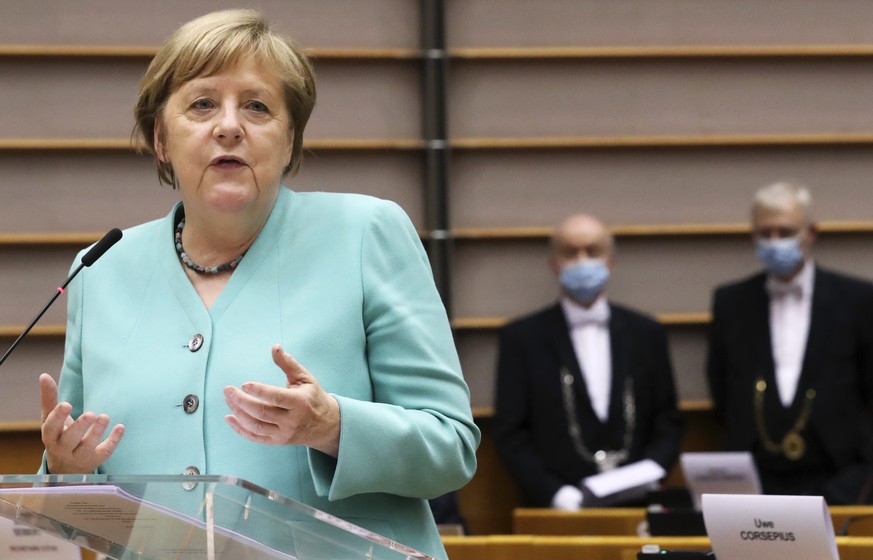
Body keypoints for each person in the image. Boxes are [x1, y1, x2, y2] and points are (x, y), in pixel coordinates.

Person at [35, 9, 479, 559]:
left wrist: (333, 426)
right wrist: (66, 470)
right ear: (161, 140)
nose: (229, 125)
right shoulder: (102, 269)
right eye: (201, 104)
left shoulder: (366, 234)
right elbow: (71, 501)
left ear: (291, 141)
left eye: (257, 106)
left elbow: (452, 447)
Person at [492, 214, 682, 509]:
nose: (582, 261)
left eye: (592, 251)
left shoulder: (647, 332)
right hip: (554, 509)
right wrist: (555, 494)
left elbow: (667, 421)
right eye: (570, 252)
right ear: (554, 264)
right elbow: (510, 432)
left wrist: (650, 475)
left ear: (611, 261)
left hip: (639, 504)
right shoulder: (521, 338)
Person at [706, 181, 873, 504]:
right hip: (756, 481)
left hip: (839, 476)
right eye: (764, 233)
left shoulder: (858, 300)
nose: (774, 242)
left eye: (784, 232)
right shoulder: (731, 302)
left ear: (810, 233)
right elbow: (721, 389)